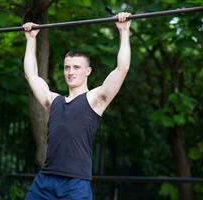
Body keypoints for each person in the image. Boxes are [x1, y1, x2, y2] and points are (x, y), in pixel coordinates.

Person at [23, 12, 131, 200]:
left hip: (75, 183)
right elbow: (31, 75)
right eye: (67, 67)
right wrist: (31, 40)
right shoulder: (53, 101)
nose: (70, 72)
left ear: (88, 71)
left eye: (76, 67)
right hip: (45, 180)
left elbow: (121, 69)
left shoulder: (95, 100)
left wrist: (123, 31)